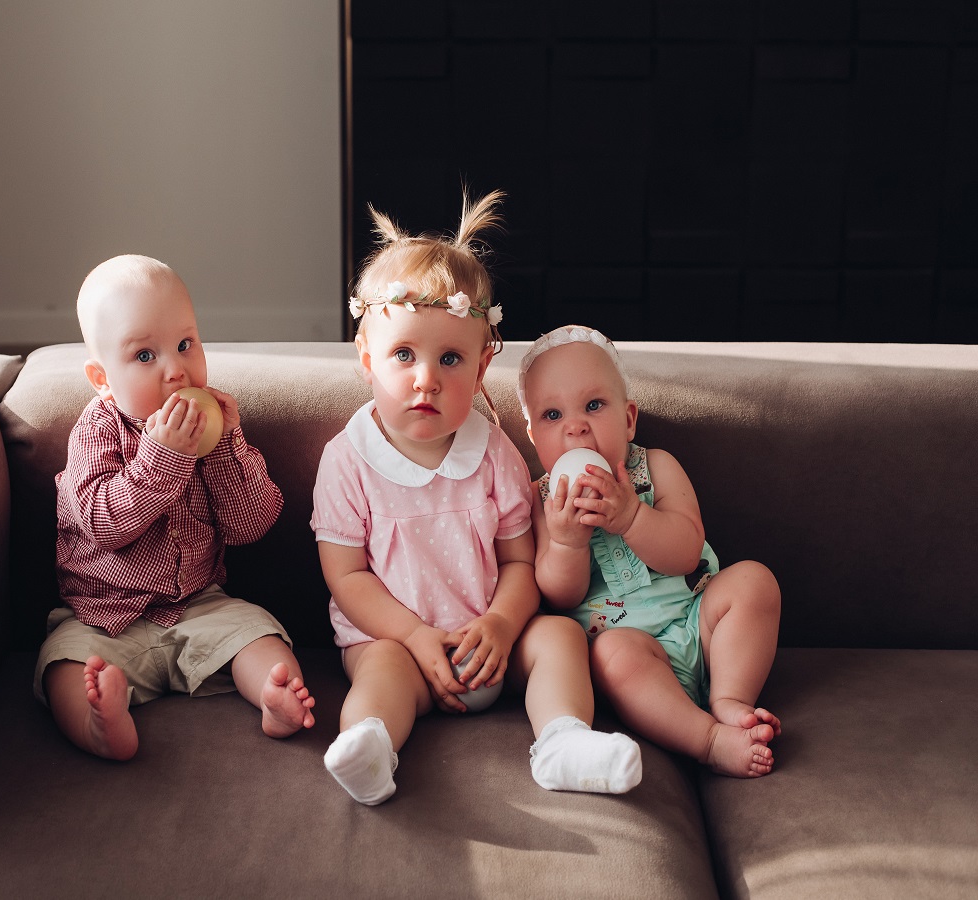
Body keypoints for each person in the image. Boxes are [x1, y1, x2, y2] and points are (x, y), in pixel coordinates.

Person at [311, 194, 641, 805]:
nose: (426, 377)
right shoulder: (348, 459)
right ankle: (370, 746)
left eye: (451, 358)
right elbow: (346, 577)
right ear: (367, 362)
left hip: (493, 643)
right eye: (403, 355)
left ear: (484, 365)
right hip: (399, 644)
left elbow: (519, 563)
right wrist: (412, 635)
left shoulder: (495, 454)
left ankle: (563, 741)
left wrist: (500, 623)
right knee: (380, 670)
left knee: (561, 640)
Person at [35, 254, 315, 760]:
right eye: (145, 356)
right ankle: (98, 722)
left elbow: (253, 523)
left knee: (260, 634)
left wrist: (227, 445)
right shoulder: (96, 432)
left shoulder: (214, 427)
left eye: (185, 344)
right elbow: (101, 523)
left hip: (199, 606)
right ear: (101, 378)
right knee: (63, 665)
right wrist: (163, 459)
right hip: (101, 617)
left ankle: (274, 698)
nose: (175, 370)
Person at [518, 325, 782, 777]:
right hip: (632, 652)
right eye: (552, 415)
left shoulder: (655, 466)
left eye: (594, 406)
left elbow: (687, 551)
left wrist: (632, 518)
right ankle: (708, 739)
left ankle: (729, 697)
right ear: (532, 437)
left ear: (628, 419)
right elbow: (557, 597)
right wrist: (567, 541)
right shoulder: (541, 501)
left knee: (754, 581)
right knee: (611, 657)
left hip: (700, 621)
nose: (576, 426)